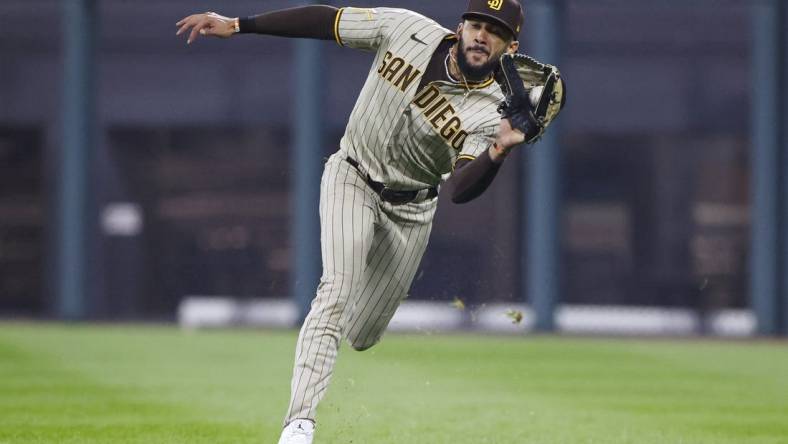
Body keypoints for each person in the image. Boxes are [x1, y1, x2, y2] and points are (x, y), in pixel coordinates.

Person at [176, 1, 543, 442]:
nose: (482, 36)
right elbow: (325, 21)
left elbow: (461, 189)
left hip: (412, 209)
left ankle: (345, 336)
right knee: (334, 291)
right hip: (352, 176)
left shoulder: (491, 111)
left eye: (495, 31)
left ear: (511, 46)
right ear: (461, 26)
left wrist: (498, 152)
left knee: (363, 334)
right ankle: (299, 424)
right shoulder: (406, 28)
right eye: (477, 24)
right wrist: (240, 25)